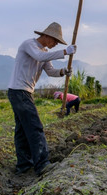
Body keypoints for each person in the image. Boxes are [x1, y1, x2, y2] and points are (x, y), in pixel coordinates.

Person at [7, 22, 77, 176]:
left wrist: (63, 71)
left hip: (25, 92)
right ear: (46, 36)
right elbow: (39, 56)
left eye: (57, 43)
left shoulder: (44, 51)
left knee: (22, 130)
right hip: (18, 91)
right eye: (55, 41)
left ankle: (24, 165)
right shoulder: (29, 45)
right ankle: (42, 164)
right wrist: (65, 51)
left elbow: (50, 71)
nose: (55, 44)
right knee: (34, 126)